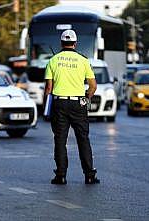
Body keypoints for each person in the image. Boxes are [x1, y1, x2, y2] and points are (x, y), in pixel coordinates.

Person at [44, 29, 99, 185]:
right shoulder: (83, 60)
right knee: (83, 139)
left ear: (61, 43)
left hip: (59, 104)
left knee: (60, 140)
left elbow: (48, 88)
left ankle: (61, 175)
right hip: (78, 103)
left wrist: (46, 109)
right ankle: (89, 175)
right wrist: (85, 99)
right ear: (75, 43)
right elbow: (93, 86)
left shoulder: (53, 60)